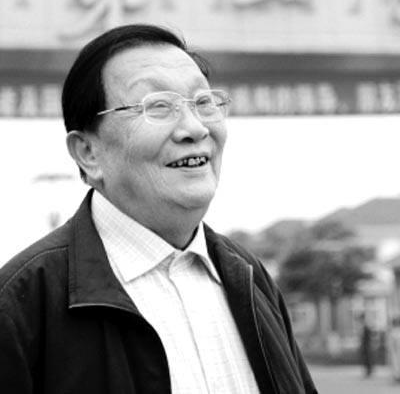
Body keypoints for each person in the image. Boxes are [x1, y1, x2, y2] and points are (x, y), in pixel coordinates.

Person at [0, 24, 318, 394]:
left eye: (203, 103)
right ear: (88, 153)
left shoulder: (248, 277)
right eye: (158, 106)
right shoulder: (21, 304)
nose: (195, 129)